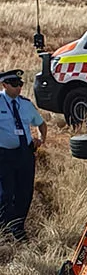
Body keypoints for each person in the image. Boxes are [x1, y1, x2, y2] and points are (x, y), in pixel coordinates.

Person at [0, 69, 45, 242]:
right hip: (4, 155)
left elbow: (41, 123)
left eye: (20, 84)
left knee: (24, 192)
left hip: (24, 154)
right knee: (5, 193)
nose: (19, 88)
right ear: (4, 85)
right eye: (14, 84)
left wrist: (41, 139)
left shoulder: (25, 104)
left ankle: (18, 229)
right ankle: (5, 229)